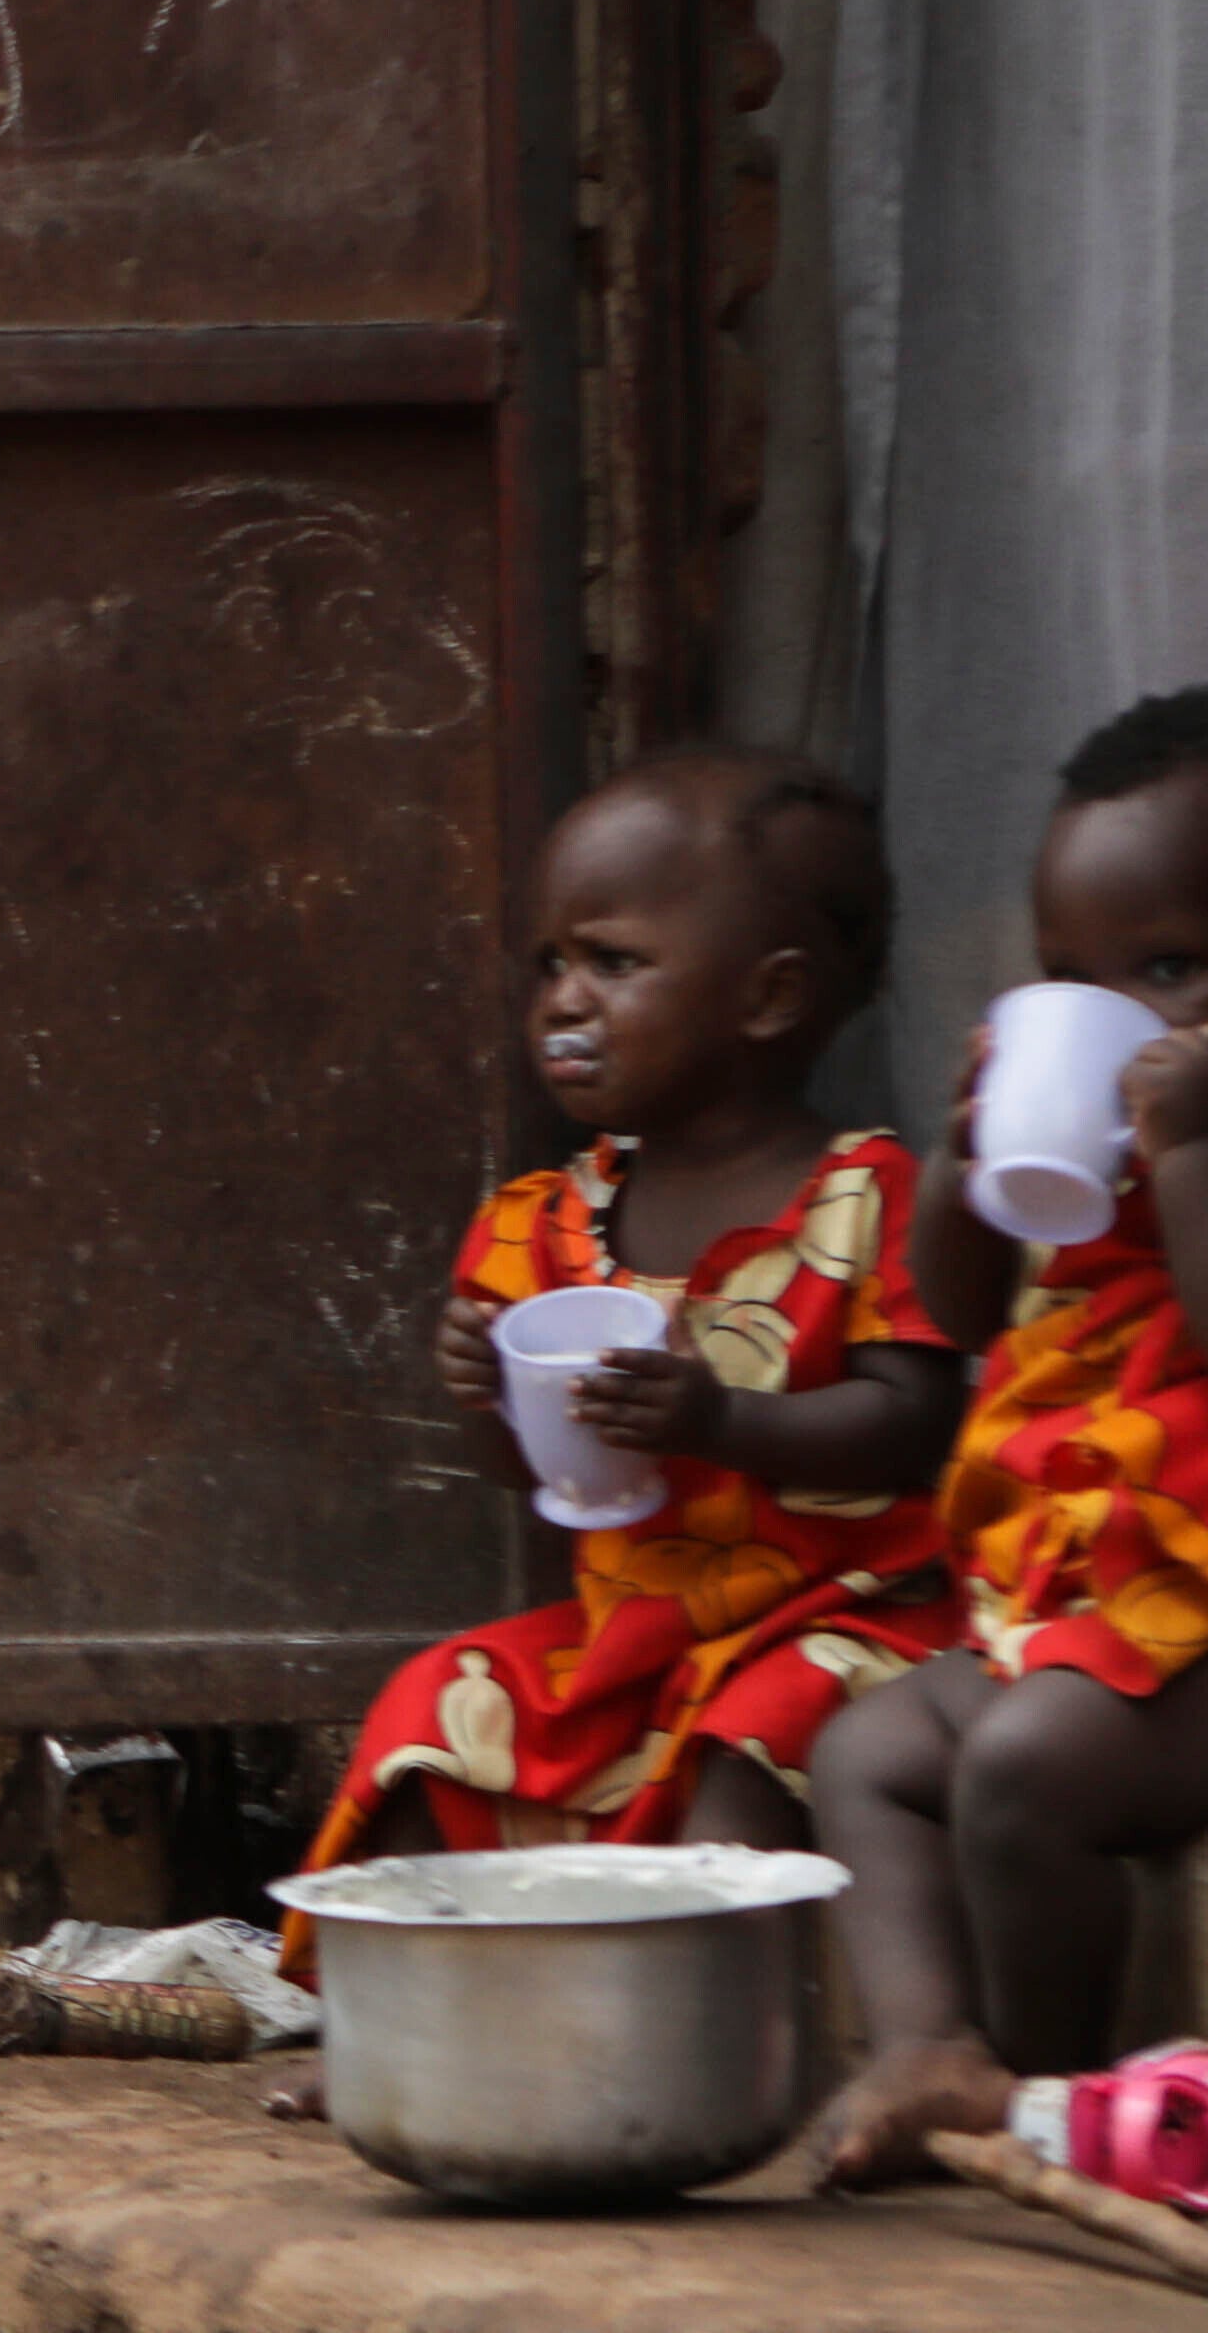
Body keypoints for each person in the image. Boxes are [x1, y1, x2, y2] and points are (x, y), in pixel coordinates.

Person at [797, 685, 1208, 2193]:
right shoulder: (1086, 1183)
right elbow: (958, 1307)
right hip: (1074, 1627)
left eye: (1172, 969)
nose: (1122, 1017)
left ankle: (1043, 2102)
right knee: (874, 1749)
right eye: (1070, 980)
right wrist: (973, 1158)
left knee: (1023, 1769)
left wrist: (1203, 1150)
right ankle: (924, 2045)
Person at [297, 746, 968, 1903]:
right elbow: (520, 1468)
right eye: (549, 964)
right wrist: (483, 1394)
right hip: (634, 1639)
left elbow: (917, 1422)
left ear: (769, 997)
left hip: (841, 1620)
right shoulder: (542, 1222)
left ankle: (708, 2037)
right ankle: (408, 2015)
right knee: (434, 1706)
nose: (562, 1000)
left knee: (749, 1741)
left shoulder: (868, 1195)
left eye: (612, 962)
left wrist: (722, 1420)